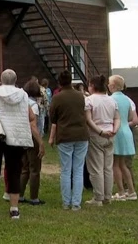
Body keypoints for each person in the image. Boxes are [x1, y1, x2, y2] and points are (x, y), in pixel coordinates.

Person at [0, 69, 44, 220]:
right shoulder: (22, 94)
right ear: (15, 80)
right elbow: (31, 116)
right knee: (15, 171)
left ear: (1, 80)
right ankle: (14, 209)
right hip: (15, 136)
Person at [48, 70, 89, 210]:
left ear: (59, 82)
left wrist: (52, 137)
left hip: (65, 135)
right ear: (71, 81)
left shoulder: (57, 98)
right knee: (78, 170)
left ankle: (66, 202)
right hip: (82, 135)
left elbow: (53, 117)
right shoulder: (80, 96)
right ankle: (76, 203)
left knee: (66, 170)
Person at [83, 75, 120, 206]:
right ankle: (107, 197)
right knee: (108, 168)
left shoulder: (89, 100)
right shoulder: (112, 100)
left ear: (92, 86)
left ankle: (98, 197)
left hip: (96, 135)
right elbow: (117, 118)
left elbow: (88, 119)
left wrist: (99, 131)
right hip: (111, 134)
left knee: (96, 168)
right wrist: (114, 130)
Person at [20, 79, 45, 205]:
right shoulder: (33, 105)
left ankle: (19, 195)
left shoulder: (21, 102)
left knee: (24, 168)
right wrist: (40, 142)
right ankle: (34, 197)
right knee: (35, 169)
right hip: (32, 138)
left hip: (22, 137)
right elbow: (33, 125)